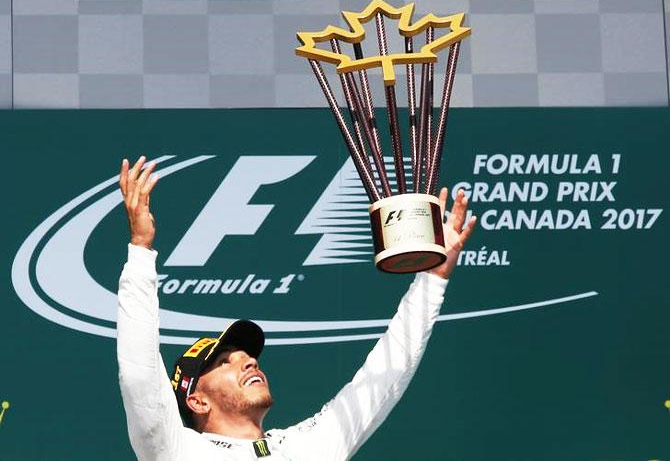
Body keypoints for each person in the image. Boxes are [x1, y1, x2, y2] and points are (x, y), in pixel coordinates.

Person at [117, 156, 476, 461]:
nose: (248, 361)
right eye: (225, 362)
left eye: (245, 356)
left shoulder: (305, 446)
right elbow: (140, 375)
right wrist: (141, 249)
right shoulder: (178, 451)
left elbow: (382, 379)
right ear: (197, 401)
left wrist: (432, 279)